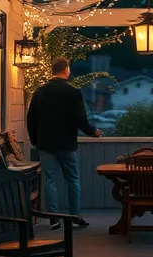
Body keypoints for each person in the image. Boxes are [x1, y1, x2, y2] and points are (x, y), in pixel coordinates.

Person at [26, 57, 101, 227]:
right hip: (66, 143)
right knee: (72, 179)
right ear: (66, 70)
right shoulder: (72, 92)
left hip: (45, 143)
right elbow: (80, 118)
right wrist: (93, 132)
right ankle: (74, 216)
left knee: (49, 180)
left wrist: (35, 140)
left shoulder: (40, 92)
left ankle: (53, 219)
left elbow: (31, 119)